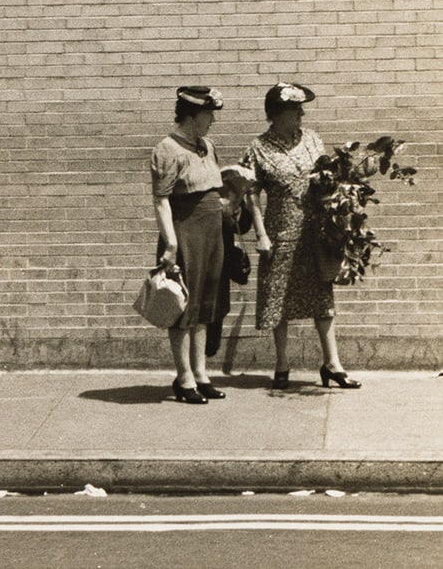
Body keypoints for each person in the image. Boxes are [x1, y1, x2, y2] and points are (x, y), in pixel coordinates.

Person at [242, 82, 360, 390]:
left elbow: (328, 178)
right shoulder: (258, 148)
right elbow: (250, 193)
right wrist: (261, 234)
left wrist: (335, 190)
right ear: (277, 113)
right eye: (296, 109)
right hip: (280, 231)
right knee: (277, 297)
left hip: (315, 231)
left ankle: (332, 363)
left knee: (322, 296)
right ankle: (282, 363)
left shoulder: (312, 139)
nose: (301, 114)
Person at [150, 86, 227, 405]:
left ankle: (201, 374)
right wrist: (170, 243)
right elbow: (161, 200)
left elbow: (213, 187)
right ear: (192, 116)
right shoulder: (167, 149)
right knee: (183, 305)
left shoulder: (207, 146)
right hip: (185, 235)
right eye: (208, 114)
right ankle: (184, 379)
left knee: (205, 303)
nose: (212, 121)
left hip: (212, 235)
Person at [206, 165, 254, 359]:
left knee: (215, 313)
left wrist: (236, 207)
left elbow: (243, 226)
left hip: (219, 260)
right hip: (196, 254)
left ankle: (202, 364)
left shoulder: (228, 187)